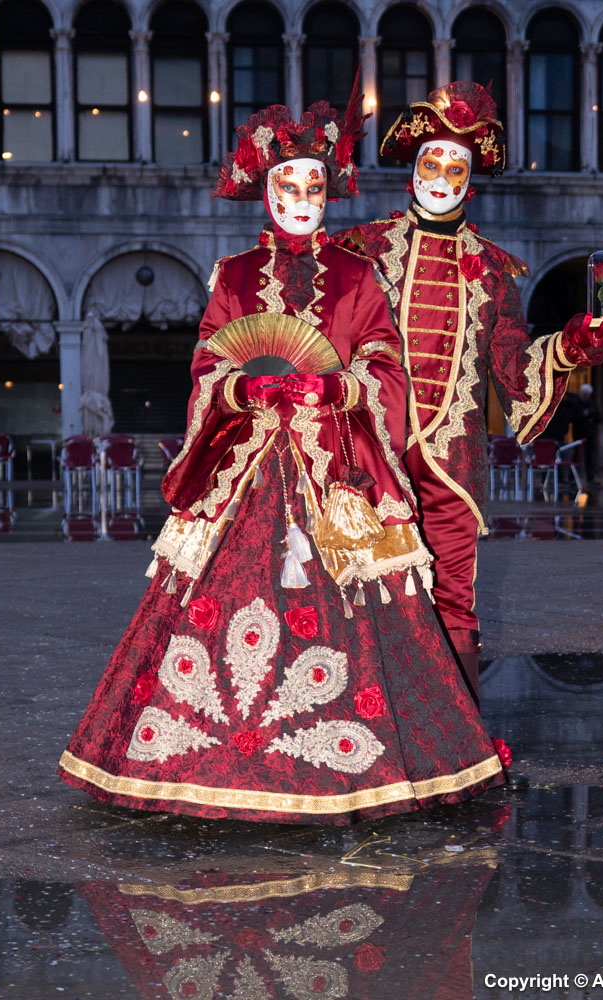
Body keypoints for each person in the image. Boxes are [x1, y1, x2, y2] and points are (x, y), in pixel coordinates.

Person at [57, 93, 508, 825]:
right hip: (248, 470)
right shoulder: (232, 277)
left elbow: (385, 369)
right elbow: (206, 368)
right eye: (288, 186)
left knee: (363, 613)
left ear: (330, 195)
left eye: (314, 188)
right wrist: (244, 386)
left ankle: (357, 759)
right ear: (264, 191)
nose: (302, 200)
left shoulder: (359, 276)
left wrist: (334, 385)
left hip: (332, 470)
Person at [334, 82, 603, 699]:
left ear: (472, 177)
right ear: (414, 167)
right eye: (432, 162)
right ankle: (371, 737)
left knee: (454, 600)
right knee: (365, 592)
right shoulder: (362, 250)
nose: (441, 176)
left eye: (456, 166)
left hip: (453, 459)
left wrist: (572, 345)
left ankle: (458, 740)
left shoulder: (494, 269)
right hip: (371, 452)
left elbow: (513, 365)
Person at [572, 383, 602, 485]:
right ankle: (573, 478)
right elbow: (572, 418)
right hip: (579, 434)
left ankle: (590, 478)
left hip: (590, 434)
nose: (585, 396)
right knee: (576, 456)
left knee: (590, 457)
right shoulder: (576, 404)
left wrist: (592, 415)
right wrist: (583, 415)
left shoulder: (593, 404)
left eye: (586, 394)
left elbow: (599, 417)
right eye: (583, 394)